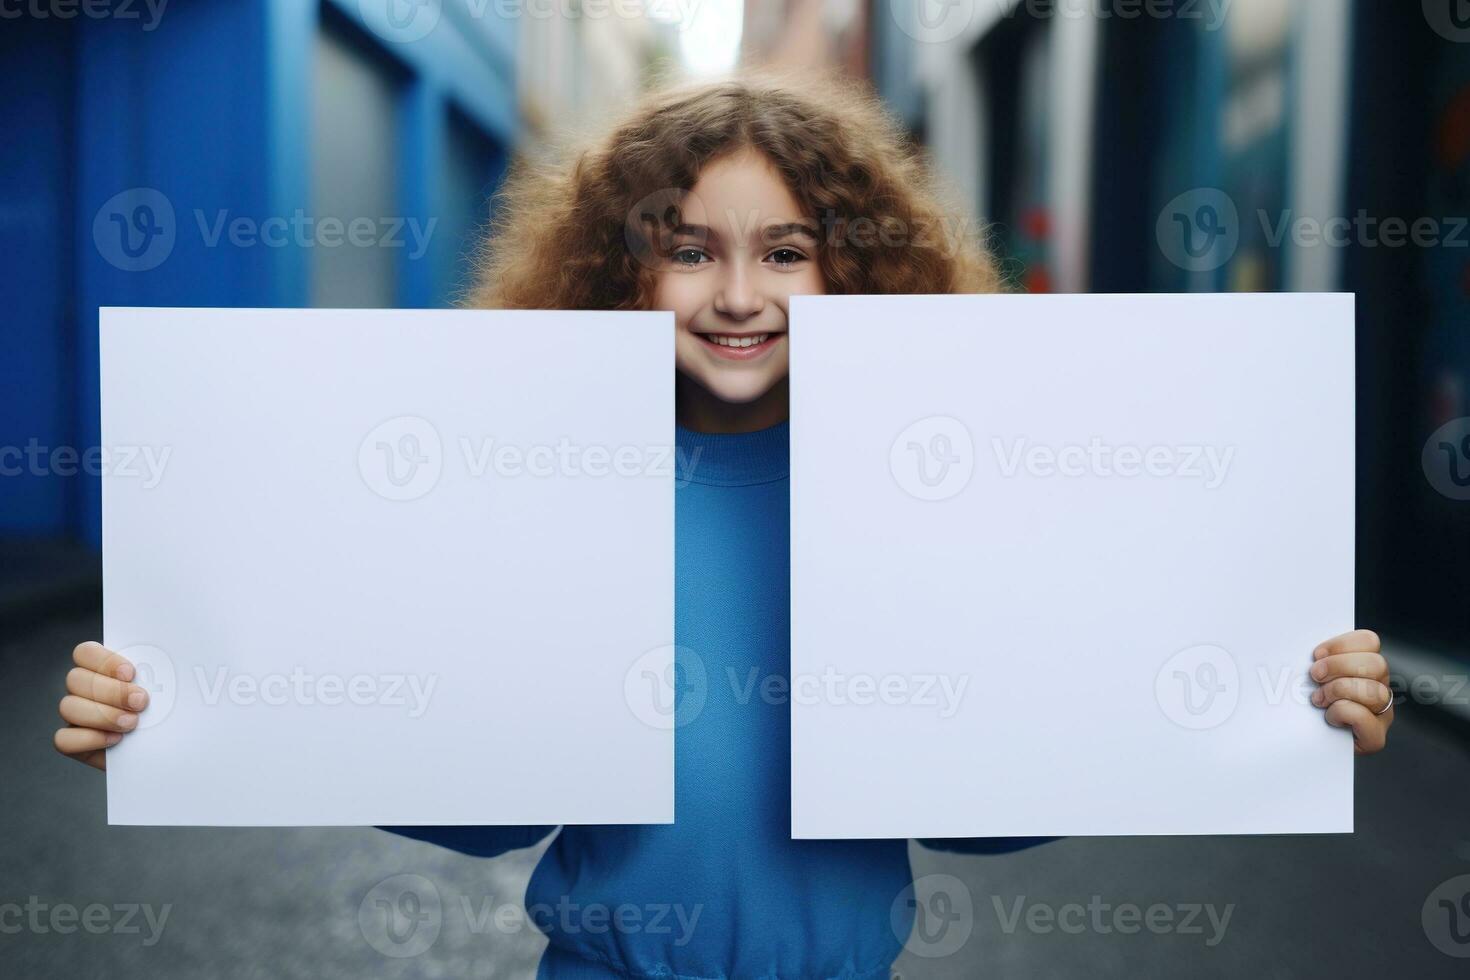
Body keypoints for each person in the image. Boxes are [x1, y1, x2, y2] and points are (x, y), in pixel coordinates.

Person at [54, 69, 1395, 978]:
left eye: (787, 250)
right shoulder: (543, 489)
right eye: (686, 248)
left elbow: (988, 803)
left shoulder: (929, 495)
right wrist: (194, 717)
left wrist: (1283, 695)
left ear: (852, 268)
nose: (734, 292)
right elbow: (478, 799)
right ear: (619, 269)